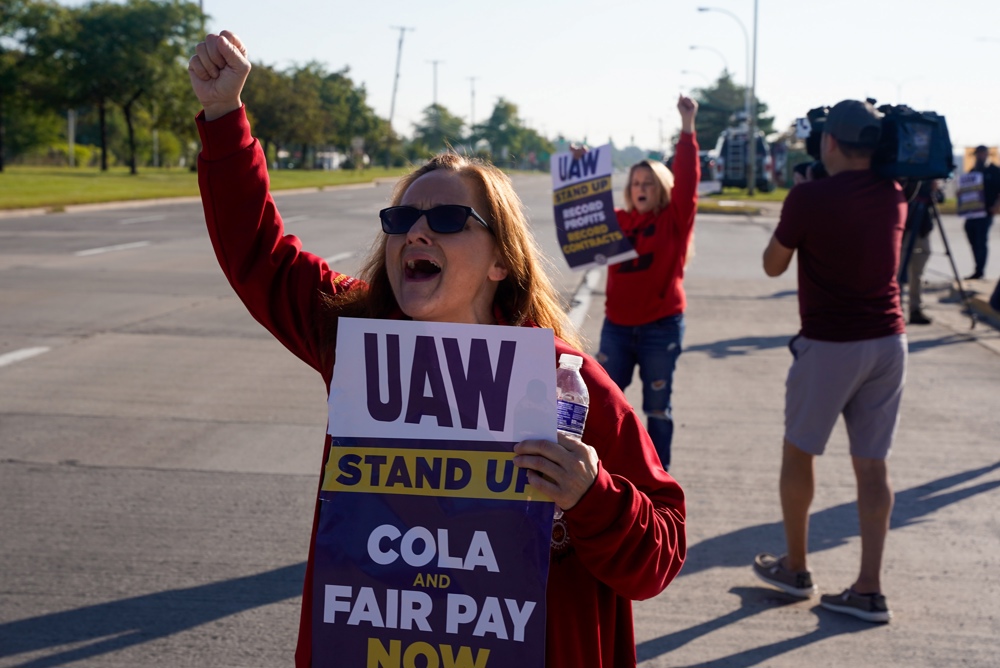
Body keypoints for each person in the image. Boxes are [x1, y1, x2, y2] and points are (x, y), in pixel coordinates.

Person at [188, 31, 686, 668]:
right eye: (401, 220)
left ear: (502, 261)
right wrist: (224, 116)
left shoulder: (565, 381)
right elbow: (260, 253)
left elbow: (659, 556)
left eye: (448, 220)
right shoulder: (356, 340)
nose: (416, 232)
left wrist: (594, 496)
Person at [752, 100, 907, 623]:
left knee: (799, 454)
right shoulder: (895, 193)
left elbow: (773, 266)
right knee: (873, 466)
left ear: (831, 142)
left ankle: (796, 569)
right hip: (888, 342)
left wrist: (802, 198)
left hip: (830, 345)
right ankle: (869, 590)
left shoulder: (808, 197)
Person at [591, 97, 700, 472]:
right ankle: (603, 473)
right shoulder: (616, 221)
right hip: (617, 329)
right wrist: (579, 169)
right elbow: (581, 209)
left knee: (657, 408)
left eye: (648, 183)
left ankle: (658, 479)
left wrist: (687, 127)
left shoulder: (674, 220)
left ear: (662, 189)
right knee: (603, 403)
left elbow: (688, 180)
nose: (641, 188)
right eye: (636, 183)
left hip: (660, 328)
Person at [900, 180, 943, 325]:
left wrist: (934, 188)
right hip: (905, 227)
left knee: (917, 273)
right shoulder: (905, 176)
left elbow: (940, 198)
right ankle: (897, 309)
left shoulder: (930, 180)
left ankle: (915, 309)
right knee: (899, 273)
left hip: (923, 228)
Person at [963, 145, 1000, 280]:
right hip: (972, 213)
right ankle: (977, 268)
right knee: (972, 238)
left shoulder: (995, 171)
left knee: (981, 241)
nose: (980, 156)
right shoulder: (973, 171)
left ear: (987, 155)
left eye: (982, 154)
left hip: (986, 212)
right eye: (978, 154)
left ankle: (979, 271)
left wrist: (997, 206)